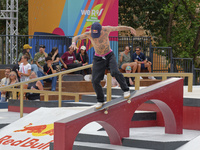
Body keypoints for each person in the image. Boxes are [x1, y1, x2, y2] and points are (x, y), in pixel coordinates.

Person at [70, 22, 136, 109]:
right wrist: (73, 43)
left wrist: (129, 27)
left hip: (109, 55)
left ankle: (126, 90)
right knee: (94, 80)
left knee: (115, 72)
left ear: (101, 30)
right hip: (98, 58)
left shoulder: (106, 29)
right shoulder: (89, 34)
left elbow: (117, 28)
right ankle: (100, 100)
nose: (95, 36)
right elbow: (76, 37)